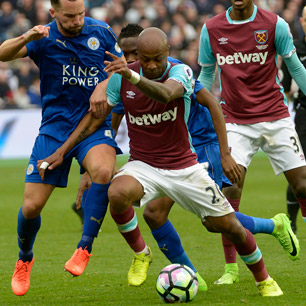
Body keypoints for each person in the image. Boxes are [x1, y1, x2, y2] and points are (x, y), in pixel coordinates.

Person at [41, 27, 284, 297]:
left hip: (185, 167)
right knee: (118, 193)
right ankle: (141, 253)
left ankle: (264, 279)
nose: (152, 65)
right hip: (144, 165)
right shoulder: (121, 80)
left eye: (157, 58)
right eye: (146, 59)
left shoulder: (180, 72)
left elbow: (166, 94)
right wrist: (64, 150)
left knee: (229, 227)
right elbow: (97, 119)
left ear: (168, 53)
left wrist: (225, 153)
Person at [0, 0, 123, 296]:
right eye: (70, 16)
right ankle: (25, 258)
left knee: (104, 171)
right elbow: (3, 54)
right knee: (31, 207)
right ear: (53, 13)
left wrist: (107, 83)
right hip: (54, 129)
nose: (78, 20)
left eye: (81, 13)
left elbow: (123, 69)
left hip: (93, 127)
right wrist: (27, 37)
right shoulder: (43, 38)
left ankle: (84, 247)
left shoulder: (102, 32)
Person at [198, 0, 306, 285]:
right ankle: (231, 269)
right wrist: (193, 113)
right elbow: (207, 75)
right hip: (235, 123)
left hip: (276, 117)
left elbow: (295, 68)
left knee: (303, 185)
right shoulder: (211, 29)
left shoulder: (274, 24)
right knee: (228, 192)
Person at [281, 6, 306, 234]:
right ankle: (292, 220)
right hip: (303, 116)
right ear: (302, 21)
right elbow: (286, 87)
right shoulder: (295, 50)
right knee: (299, 171)